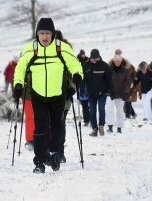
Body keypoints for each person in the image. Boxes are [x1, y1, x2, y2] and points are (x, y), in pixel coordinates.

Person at [13, 18, 83, 174]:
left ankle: (53, 153)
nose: (44, 37)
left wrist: (77, 78)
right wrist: (17, 84)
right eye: (41, 33)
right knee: (41, 127)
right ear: (37, 35)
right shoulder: (31, 49)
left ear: (52, 34)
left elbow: (75, 64)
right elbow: (20, 69)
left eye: (47, 33)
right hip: (37, 95)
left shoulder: (61, 48)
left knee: (58, 127)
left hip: (58, 95)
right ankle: (39, 162)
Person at [81, 49, 115, 136]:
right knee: (92, 111)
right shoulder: (86, 65)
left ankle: (101, 126)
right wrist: (81, 89)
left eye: (96, 58)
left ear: (99, 56)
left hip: (102, 92)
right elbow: (83, 79)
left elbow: (109, 80)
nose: (95, 60)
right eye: (93, 58)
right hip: (91, 93)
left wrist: (112, 90)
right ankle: (94, 129)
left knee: (101, 109)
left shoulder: (104, 66)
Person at [55, 30, 76, 163]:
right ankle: (53, 151)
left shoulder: (67, 53)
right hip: (49, 94)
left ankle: (59, 152)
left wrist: (72, 88)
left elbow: (74, 71)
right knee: (53, 124)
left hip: (64, 94)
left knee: (60, 123)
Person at [106, 49, 131, 133]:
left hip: (121, 93)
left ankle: (119, 127)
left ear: (121, 61)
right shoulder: (109, 69)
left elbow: (128, 82)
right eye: (116, 61)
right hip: (110, 93)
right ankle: (110, 126)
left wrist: (126, 93)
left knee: (120, 111)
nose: (117, 62)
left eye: (118, 61)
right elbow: (106, 80)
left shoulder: (126, 70)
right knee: (109, 109)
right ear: (113, 61)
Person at [77, 49, 90, 126]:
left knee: (90, 104)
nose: (83, 55)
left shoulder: (88, 60)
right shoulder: (77, 61)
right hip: (81, 83)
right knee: (84, 104)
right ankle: (86, 120)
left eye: (84, 54)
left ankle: (90, 119)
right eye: (82, 54)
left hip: (88, 83)